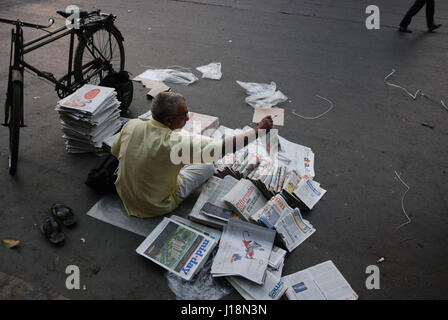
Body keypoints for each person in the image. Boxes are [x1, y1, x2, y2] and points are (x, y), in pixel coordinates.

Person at [111, 92, 273, 218]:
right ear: (168, 120)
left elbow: (115, 151)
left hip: (125, 195)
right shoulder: (174, 143)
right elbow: (224, 147)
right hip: (155, 205)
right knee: (208, 165)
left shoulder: (132, 124)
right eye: (185, 114)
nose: (188, 118)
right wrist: (258, 131)